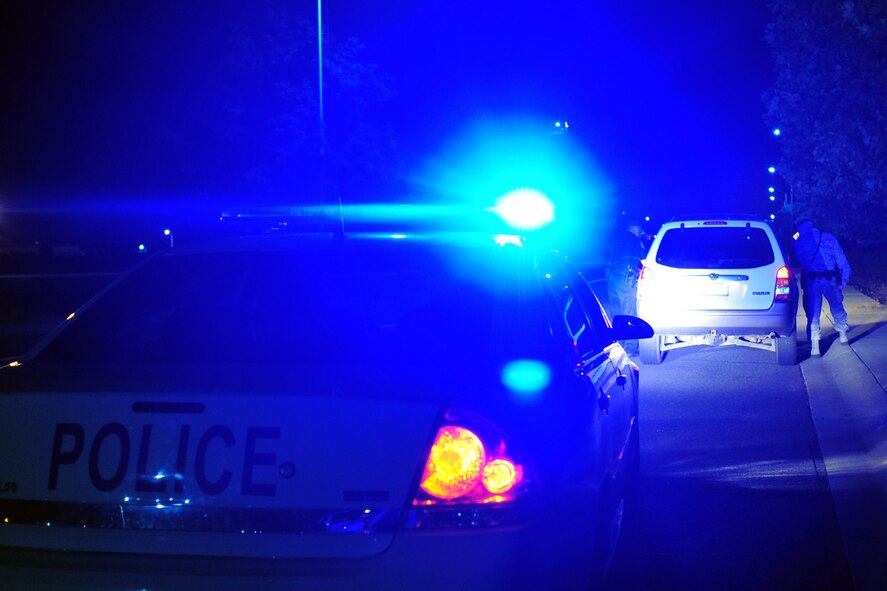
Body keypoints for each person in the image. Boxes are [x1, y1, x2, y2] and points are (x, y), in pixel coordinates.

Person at [793, 219, 851, 356]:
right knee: (837, 305)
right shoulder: (829, 238)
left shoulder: (800, 241)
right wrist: (844, 278)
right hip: (830, 279)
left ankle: (815, 346)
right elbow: (841, 259)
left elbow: (797, 259)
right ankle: (843, 335)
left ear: (802, 228)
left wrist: (796, 238)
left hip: (812, 281)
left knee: (813, 312)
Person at [607, 219, 647, 355]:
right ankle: (630, 348)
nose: (641, 233)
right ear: (635, 228)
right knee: (629, 312)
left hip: (612, 279)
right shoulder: (635, 241)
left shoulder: (615, 240)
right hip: (627, 278)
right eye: (640, 230)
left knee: (616, 313)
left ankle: (618, 344)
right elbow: (643, 260)